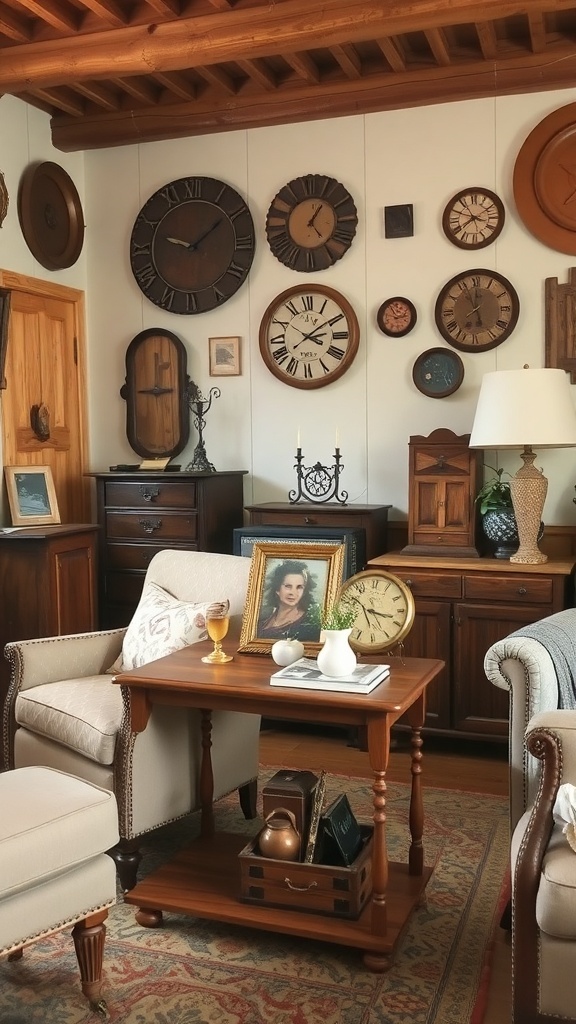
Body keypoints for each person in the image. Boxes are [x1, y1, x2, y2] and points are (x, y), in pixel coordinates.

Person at [257, 559, 320, 642]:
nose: (293, 593)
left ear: (304, 591)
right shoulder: (263, 617)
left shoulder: (308, 626)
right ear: (277, 589)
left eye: (299, 587)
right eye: (288, 586)